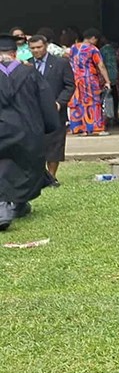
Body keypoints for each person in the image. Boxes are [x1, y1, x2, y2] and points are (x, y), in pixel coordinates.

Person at [0, 32, 60, 228]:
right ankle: (13, 205)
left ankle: (7, 206)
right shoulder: (30, 73)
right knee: (24, 166)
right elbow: (46, 104)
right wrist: (49, 126)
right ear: (15, 53)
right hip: (27, 131)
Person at [27, 35, 75, 183]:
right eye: (33, 48)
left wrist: (60, 102)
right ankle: (39, 176)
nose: (36, 51)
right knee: (35, 144)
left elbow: (70, 85)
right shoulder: (26, 65)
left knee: (55, 144)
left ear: (46, 46)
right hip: (32, 112)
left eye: (39, 47)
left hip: (55, 111)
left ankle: (52, 176)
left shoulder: (61, 63)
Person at [68, 28, 111, 135]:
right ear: (93, 38)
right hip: (89, 80)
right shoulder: (93, 49)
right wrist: (107, 81)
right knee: (93, 102)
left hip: (76, 79)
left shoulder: (74, 47)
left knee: (78, 102)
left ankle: (79, 128)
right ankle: (95, 128)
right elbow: (101, 65)